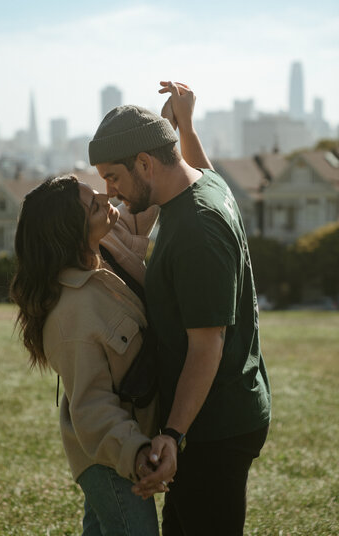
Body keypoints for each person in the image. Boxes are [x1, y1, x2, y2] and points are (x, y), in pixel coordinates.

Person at [89, 81, 271, 536]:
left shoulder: (196, 232)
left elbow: (206, 345)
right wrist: (186, 126)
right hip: (220, 414)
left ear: (146, 163)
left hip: (215, 425)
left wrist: (171, 434)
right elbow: (204, 169)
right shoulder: (202, 188)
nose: (109, 192)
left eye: (113, 176)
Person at [10, 175, 166, 536]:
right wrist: (137, 455)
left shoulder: (105, 248)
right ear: (71, 233)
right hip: (110, 457)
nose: (104, 194)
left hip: (120, 446)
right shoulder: (72, 314)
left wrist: (168, 134)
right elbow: (91, 408)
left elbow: (146, 201)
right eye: (93, 203)